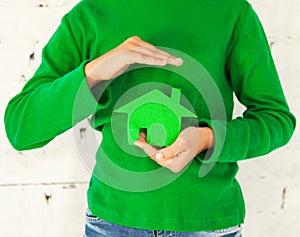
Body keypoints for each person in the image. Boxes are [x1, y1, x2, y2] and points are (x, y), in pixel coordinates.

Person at [4, 0, 296, 236]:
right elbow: (21, 127)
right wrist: (95, 72)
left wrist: (207, 138)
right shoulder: (88, 16)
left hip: (207, 223)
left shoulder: (232, 12)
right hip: (111, 224)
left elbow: (276, 119)